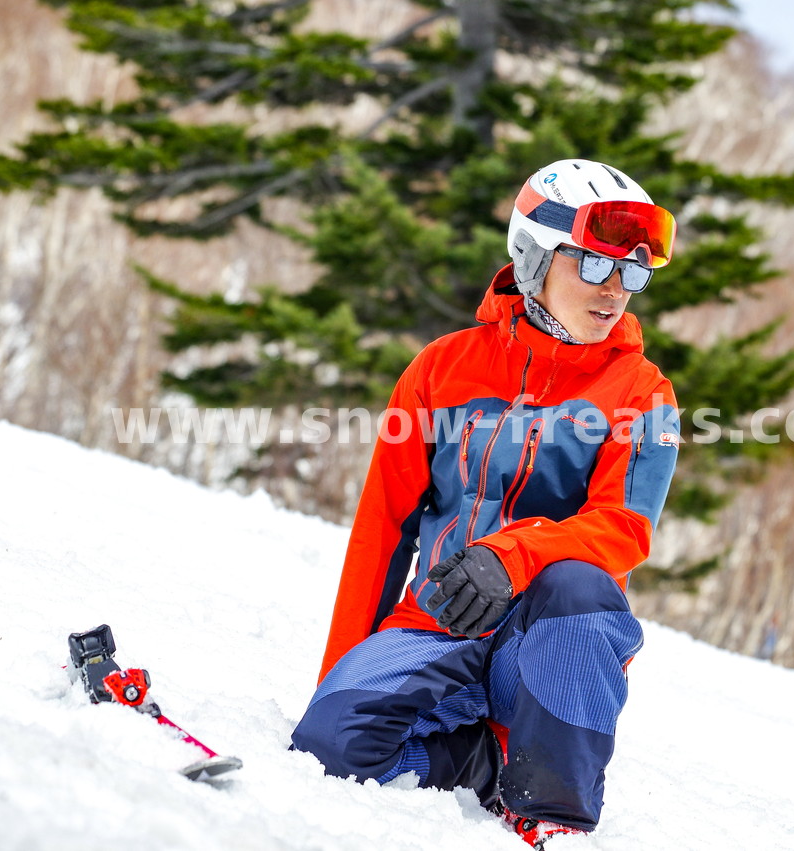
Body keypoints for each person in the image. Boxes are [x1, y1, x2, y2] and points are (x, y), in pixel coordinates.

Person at [290, 158, 680, 847]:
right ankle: (487, 760)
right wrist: (337, 679)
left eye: (633, 273)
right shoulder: (441, 368)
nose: (616, 290)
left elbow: (621, 530)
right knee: (333, 746)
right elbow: (384, 528)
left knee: (578, 581)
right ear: (533, 255)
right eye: (593, 265)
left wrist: (510, 555)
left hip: (549, 641)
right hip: (439, 621)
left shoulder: (643, 393)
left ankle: (550, 802)